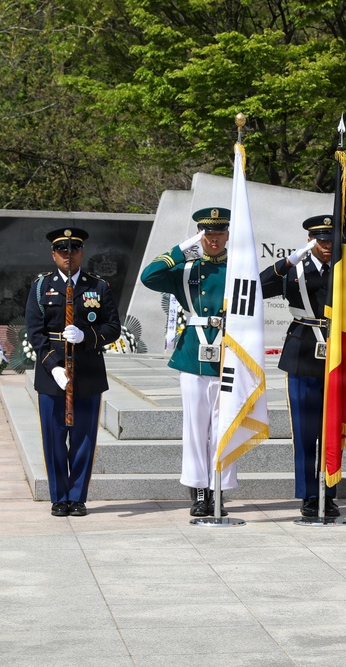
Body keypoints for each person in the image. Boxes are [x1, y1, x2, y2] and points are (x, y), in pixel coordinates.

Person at [140, 207, 236, 517]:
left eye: (219, 233)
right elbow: (149, 276)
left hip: (228, 352)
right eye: (207, 234)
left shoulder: (237, 268)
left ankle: (218, 486)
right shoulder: (187, 268)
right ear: (199, 235)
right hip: (193, 353)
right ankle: (198, 490)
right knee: (195, 426)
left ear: (227, 235)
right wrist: (182, 249)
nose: (213, 239)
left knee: (224, 425)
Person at [25, 227, 120, 517]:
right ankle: (59, 497)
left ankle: (77, 497)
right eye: (63, 251)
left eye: (75, 250)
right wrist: (53, 366)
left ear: (82, 253)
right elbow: (34, 331)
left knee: (83, 438)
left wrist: (86, 336)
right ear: (54, 254)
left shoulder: (99, 287)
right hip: (51, 373)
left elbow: (112, 327)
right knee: (53, 438)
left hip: (87, 371)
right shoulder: (41, 287)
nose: (69, 255)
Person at [259, 214, 340, 519]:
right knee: (305, 431)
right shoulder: (295, 271)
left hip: (336, 355)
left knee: (332, 429)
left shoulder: (343, 271)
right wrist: (286, 262)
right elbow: (259, 285)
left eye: (331, 239)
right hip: (303, 350)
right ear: (310, 242)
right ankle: (308, 494)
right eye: (321, 240)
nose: (327, 245)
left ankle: (329, 494)